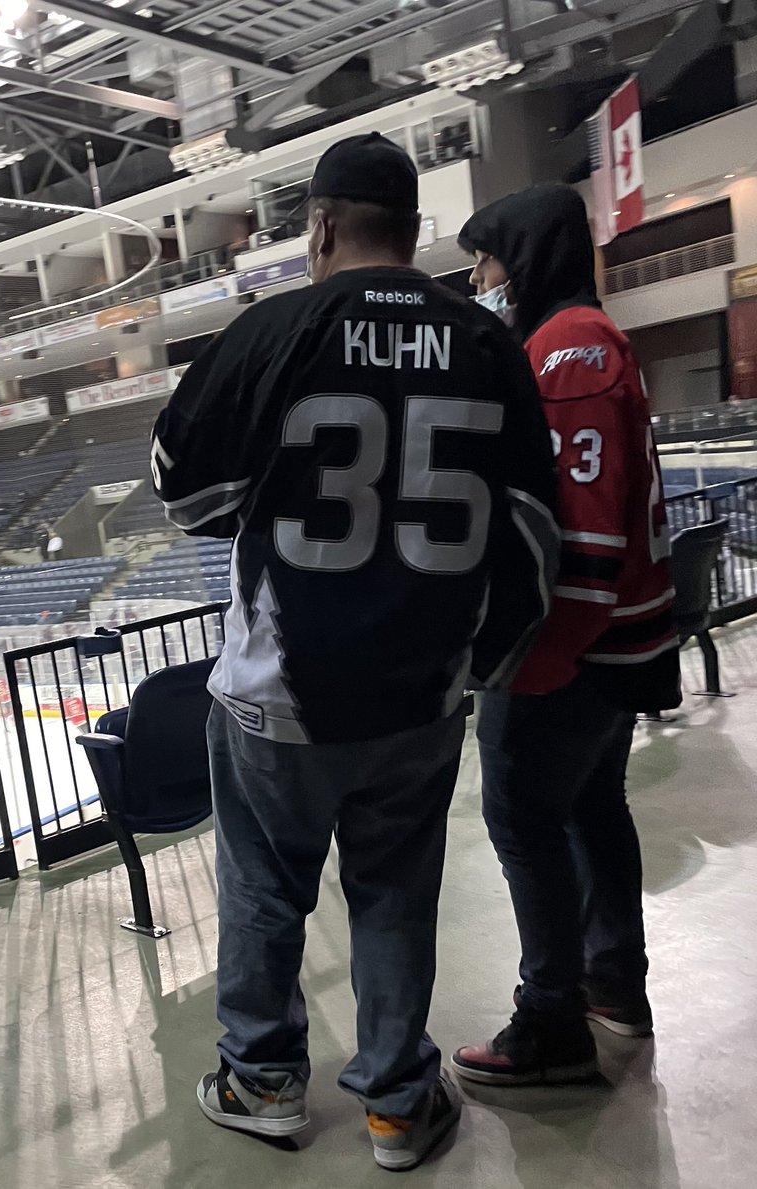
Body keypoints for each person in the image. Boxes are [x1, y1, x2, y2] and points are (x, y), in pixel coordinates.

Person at [151, 133, 560, 1172]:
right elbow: (533, 534)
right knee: (394, 892)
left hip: (277, 696)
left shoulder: (272, 329)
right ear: (415, 230)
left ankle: (264, 1082)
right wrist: (482, 665)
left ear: (321, 226)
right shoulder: (487, 339)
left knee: (262, 887)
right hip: (421, 695)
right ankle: (395, 1103)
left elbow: (180, 486)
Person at [451, 185, 681, 1087]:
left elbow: (582, 542)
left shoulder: (570, 350)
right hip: (610, 647)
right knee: (591, 806)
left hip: (573, 651)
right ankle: (614, 982)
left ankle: (551, 1018)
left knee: (521, 815)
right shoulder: (574, 340)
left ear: (528, 254)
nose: (479, 279)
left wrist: (528, 660)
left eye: (488, 260)